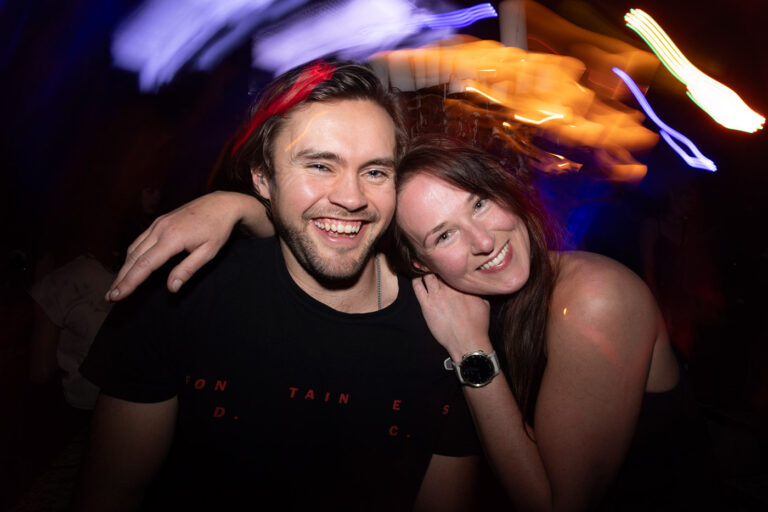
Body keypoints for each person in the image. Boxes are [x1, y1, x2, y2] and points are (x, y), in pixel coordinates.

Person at [108, 132, 699, 511]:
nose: (482, 241)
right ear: (418, 262)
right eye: (442, 235)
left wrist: (471, 354)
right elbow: (335, 236)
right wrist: (234, 206)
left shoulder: (594, 297)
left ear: (508, 192)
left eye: (479, 202)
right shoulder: (450, 292)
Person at [76, 62, 480, 511]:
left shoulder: (450, 328)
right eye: (320, 165)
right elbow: (111, 492)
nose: (351, 198)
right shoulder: (182, 292)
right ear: (262, 179)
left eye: (375, 172)